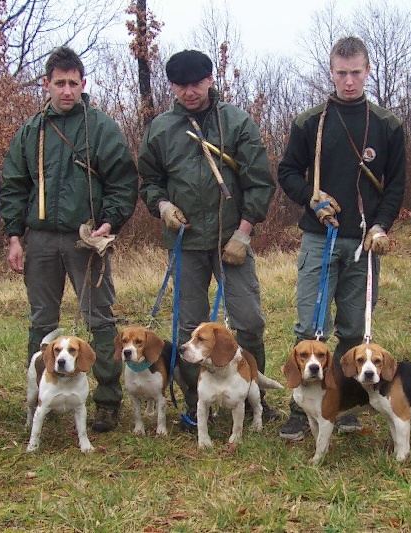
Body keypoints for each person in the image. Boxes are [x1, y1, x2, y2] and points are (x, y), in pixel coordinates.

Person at [138, 49, 278, 430]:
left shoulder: (235, 122)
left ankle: (252, 397)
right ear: (172, 86)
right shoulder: (161, 128)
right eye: (181, 85)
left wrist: (244, 233)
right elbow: (148, 181)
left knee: (248, 323)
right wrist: (163, 205)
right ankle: (195, 403)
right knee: (188, 331)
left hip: (230, 241)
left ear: (210, 80)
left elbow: (260, 181)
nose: (189, 91)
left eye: (197, 83)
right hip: (185, 244)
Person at [1, 46, 138, 433]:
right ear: (46, 84)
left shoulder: (100, 127)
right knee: (42, 322)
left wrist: (108, 224)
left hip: (85, 239)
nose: (66, 90)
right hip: (41, 239)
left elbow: (123, 181)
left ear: (83, 84)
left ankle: (107, 401)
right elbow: (13, 185)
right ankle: (40, 398)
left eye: (72, 83)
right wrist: (15, 236)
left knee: (100, 318)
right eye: (58, 83)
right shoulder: (31, 131)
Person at [277, 36, 406, 441]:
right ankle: (301, 406)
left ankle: (345, 402)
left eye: (355, 72)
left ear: (368, 71)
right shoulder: (310, 122)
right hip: (320, 237)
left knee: (353, 327)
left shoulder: (387, 125)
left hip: (364, 244)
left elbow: (397, 184)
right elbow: (287, 173)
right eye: (341, 73)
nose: (348, 81)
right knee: (312, 325)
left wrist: (381, 225)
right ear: (330, 73)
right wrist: (311, 199)